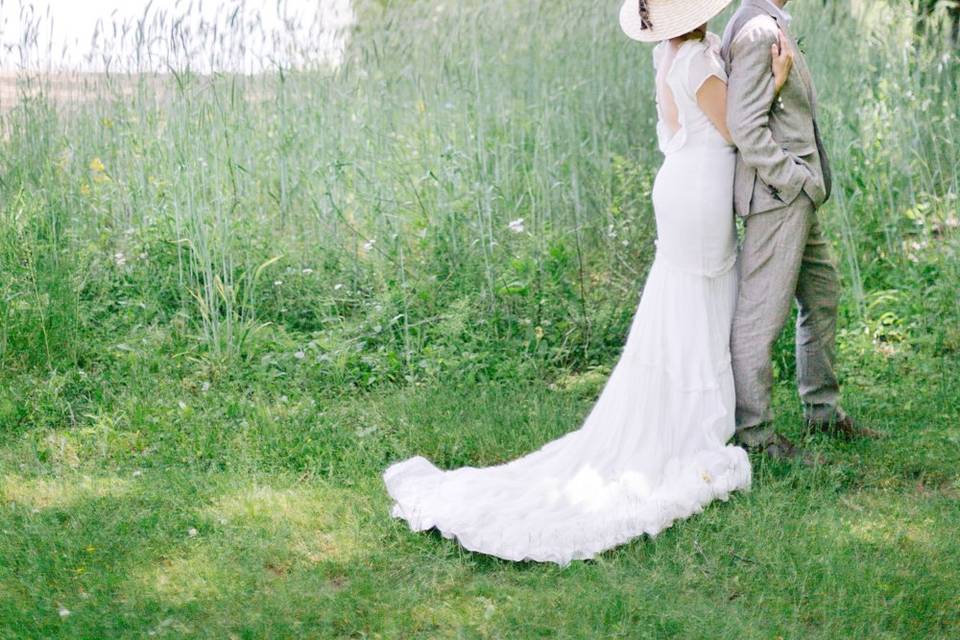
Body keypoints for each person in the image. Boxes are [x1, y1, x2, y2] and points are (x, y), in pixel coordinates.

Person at [381, 0, 785, 566]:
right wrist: (776, 83)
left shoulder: (673, 56)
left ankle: (686, 408)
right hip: (699, 191)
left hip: (682, 183)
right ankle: (691, 422)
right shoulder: (696, 60)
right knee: (699, 296)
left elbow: (678, 130)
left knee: (682, 298)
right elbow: (737, 131)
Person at [720, 0, 880, 463]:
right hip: (779, 197)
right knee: (760, 317)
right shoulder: (755, 32)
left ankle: (823, 411)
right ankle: (756, 434)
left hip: (794, 196)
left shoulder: (763, 22)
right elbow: (745, 127)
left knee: (823, 293)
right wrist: (793, 180)